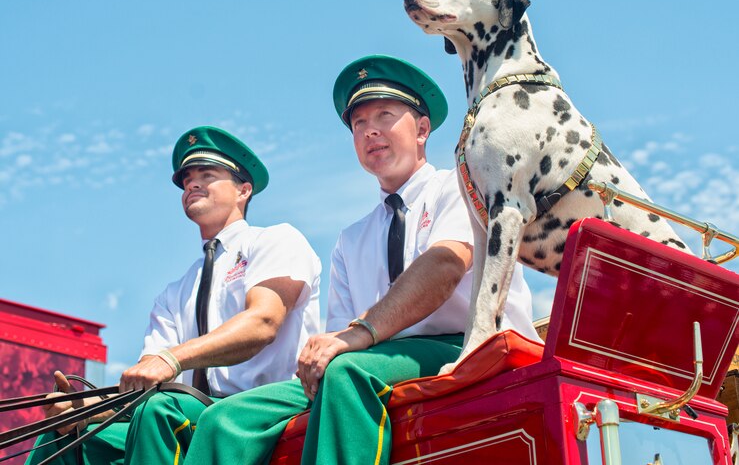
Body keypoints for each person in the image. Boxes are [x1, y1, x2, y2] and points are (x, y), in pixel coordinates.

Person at [185, 55, 539, 464]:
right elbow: (341, 336)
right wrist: (336, 348)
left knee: (347, 372)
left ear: (422, 129)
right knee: (225, 419)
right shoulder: (351, 239)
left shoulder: (459, 186)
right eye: (358, 124)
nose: (370, 131)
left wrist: (362, 332)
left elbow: (444, 268)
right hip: (377, 357)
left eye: (385, 115)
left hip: (468, 344)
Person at [28, 126, 321, 465]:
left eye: (207, 175)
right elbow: (146, 380)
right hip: (193, 410)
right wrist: (85, 409)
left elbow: (263, 322)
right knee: (62, 433)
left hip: (268, 403)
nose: (192, 184)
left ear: (244, 190)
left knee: (160, 410)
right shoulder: (174, 292)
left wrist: (172, 359)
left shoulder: (275, 240)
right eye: (187, 180)